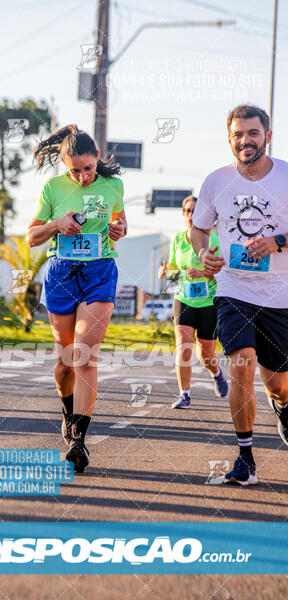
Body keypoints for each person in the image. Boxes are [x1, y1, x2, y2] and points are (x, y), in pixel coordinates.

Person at [191, 104, 288, 485]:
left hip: (280, 295)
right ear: (229, 139)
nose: (245, 141)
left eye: (252, 133)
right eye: (238, 135)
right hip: (233, 289)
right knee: (242, 363)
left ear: (267, 135)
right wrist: (202, 252)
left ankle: (281, 405)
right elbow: (198, 230)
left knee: (278, 382)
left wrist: (277, 242)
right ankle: (245, 457)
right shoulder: (216, 182)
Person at [27, 125, 127, 473]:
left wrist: (119, 229)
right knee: (66, 361)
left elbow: (120, 221)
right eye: (75, 171)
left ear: (97, 157)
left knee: (84, 353)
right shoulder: (52, 187)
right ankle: (68, 412)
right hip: (62, 274)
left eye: (88, 168)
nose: (83, 176)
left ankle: (79, 440)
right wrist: (57, 224)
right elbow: (31, 237)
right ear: (64, 165)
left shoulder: (113, 185)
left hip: (99, 272)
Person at [158, 195, 228, 409]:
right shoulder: (178, 239)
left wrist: (203, 273)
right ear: (183, 214)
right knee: (183, 346)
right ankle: (184, 394)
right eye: (187, 211)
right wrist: (165, 271)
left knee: (206, 353)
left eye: (194, 211)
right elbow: (174, 268)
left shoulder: (215, 239)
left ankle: (216, 374)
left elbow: (223, 273)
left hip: (208, 302)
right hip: (183, 298)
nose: (190, 214)